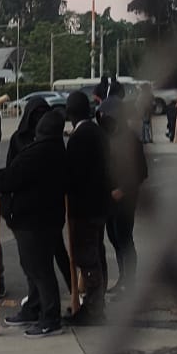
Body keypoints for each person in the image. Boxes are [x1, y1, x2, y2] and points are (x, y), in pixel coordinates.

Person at [0, 108, 69, 338]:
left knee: (39, 269)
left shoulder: (38, 152)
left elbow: (11, 177)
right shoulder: (58, 149)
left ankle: (50, 318)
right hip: (45, 218)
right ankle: (34, 308)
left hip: (34, 221)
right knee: (34, 267)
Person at [9, 96, 74, 297]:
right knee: (32, 260)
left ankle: (74, 291)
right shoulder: (19, 138)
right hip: (28, 207)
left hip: (49, 205)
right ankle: (35, 296)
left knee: (57, 251)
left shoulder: (52, 138)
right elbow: (12, 170)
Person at [63, 91, 109, 324]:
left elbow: (73, 174)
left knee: (87, 257)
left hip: (84, 207)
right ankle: (96, 303)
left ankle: (93, 309)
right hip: (99, 204)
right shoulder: (98, 132)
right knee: (97, 253)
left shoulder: (79, 137)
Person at [102, 103, 150, 294]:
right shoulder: (107, 137)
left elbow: (141, 172)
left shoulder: (131, 140)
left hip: (125, 198)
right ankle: (123, 277)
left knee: (124, 239)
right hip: (109, 198)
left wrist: (123, 190)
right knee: (114, 237)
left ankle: (130, 283)